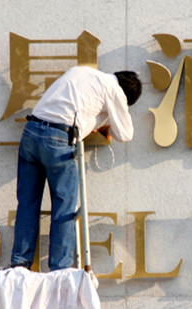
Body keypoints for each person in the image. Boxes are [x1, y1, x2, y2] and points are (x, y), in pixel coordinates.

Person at [10, 66, 142, 271]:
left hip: (31, 131)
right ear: (126, 98)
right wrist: (110, 123)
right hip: (58, 139)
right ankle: (59, 268)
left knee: (27, 203)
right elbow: (125, 134)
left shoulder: (83, 71)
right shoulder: (114, 90)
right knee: (64, 208)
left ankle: (19, 264)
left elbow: (76, 107)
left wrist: (97, 125)